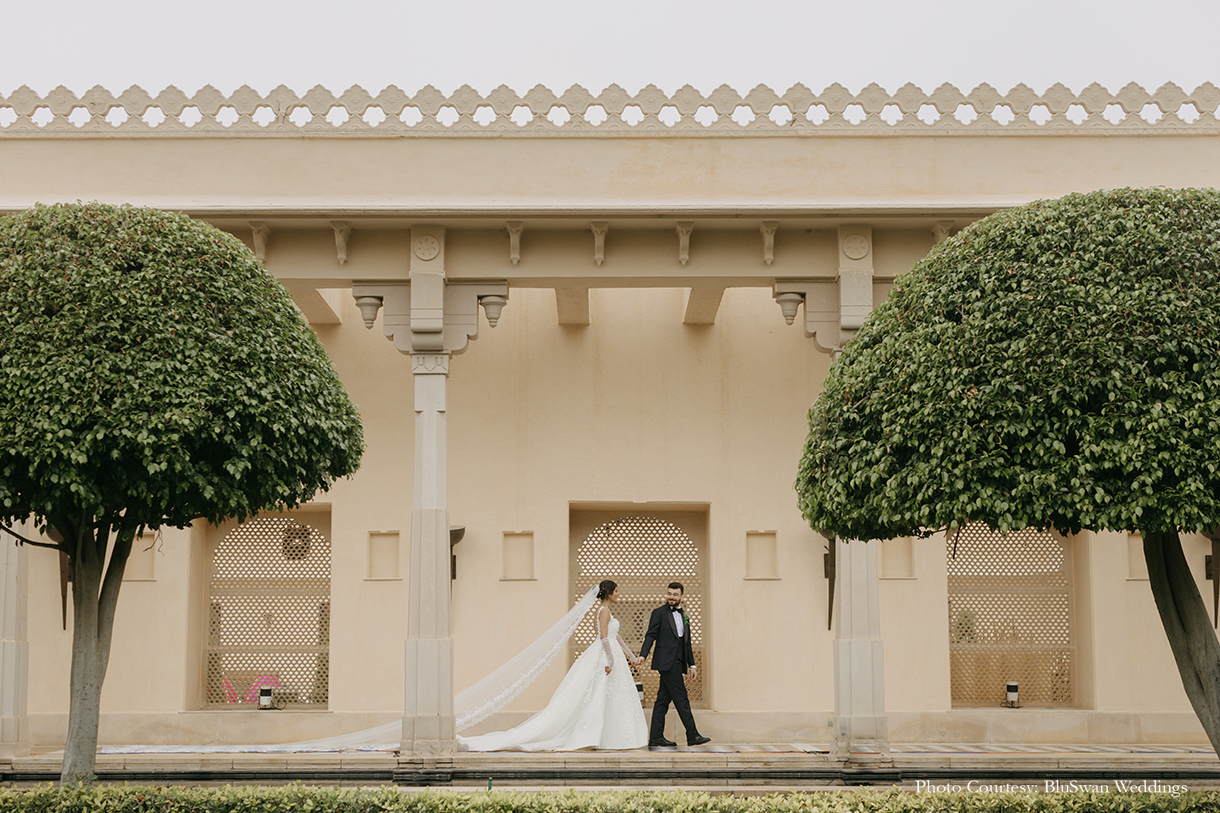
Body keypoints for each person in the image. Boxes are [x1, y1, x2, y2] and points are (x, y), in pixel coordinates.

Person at [457, 579, 648, 751]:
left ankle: (605, 737)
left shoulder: (606, 612)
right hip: (606, 656)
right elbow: (604, 638)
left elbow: (616, 637)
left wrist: (631, 656)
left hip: (610, 654)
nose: (618, 594)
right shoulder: (604, 612)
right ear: (609, 593)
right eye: (616, 591)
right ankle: (594, 736)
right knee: (598, 694)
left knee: (609, 695)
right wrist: (611, 660)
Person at [639, 582, 710, 748]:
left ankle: (656, 737)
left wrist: (692, 665)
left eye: (675, 594)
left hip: (678, 663)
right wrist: (643, 655)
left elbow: (687, 643)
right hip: (666, 662)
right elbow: (650, 636)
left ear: (682, 597)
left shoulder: (685, 615)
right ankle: (692, 735)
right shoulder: (658, 613)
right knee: (681, 698)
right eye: (669, 593)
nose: (671, 597)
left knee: (662, 701)